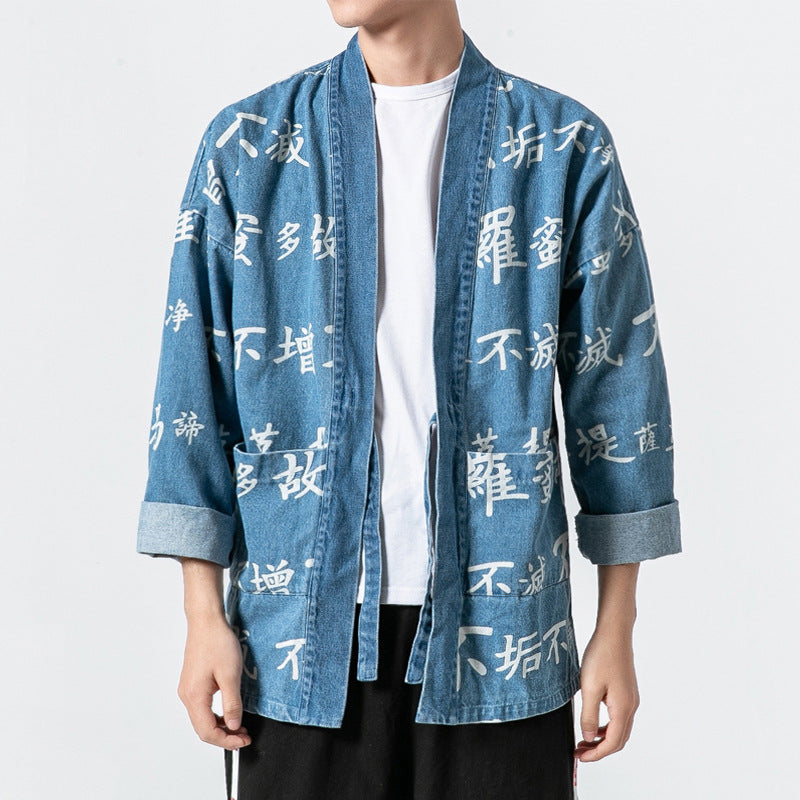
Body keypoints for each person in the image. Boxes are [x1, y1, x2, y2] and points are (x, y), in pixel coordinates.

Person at [136, 1, 682, 798]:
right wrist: (201, 613)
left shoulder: (562, 146)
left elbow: (619, 397)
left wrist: (616, 627)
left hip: (503, 633)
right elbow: (194, 382)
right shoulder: (249, 145)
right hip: (299, 637)